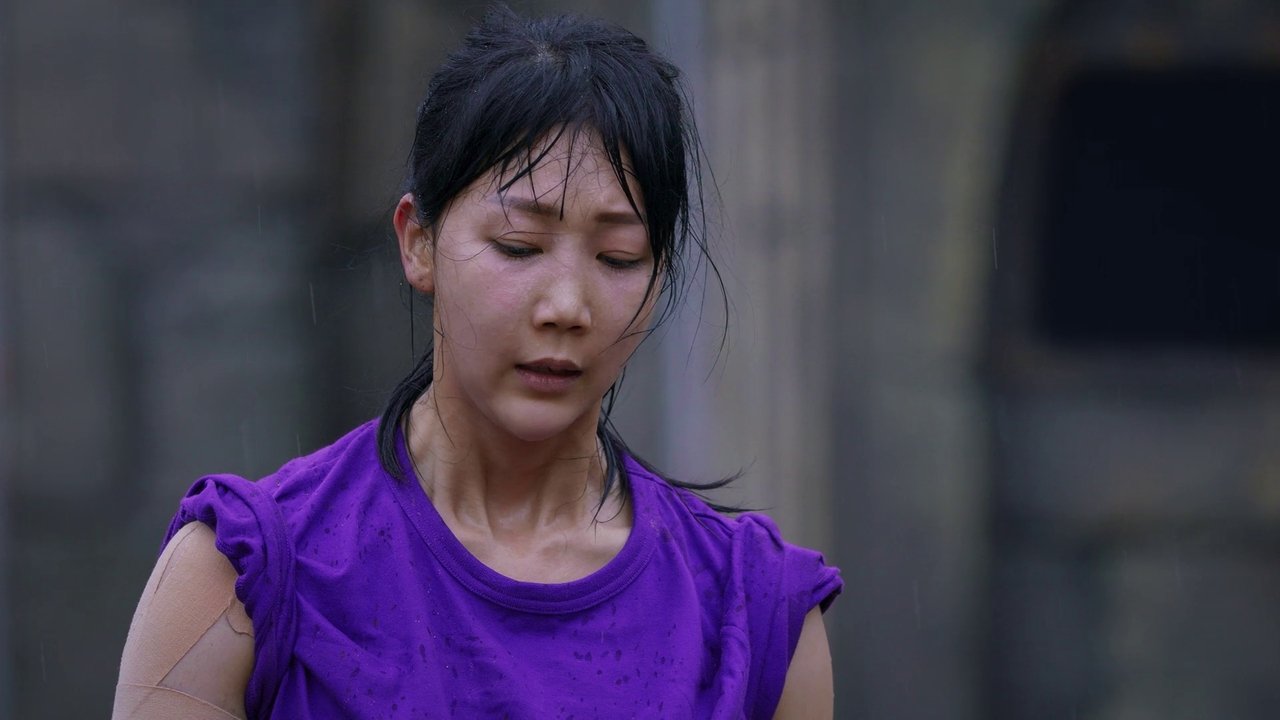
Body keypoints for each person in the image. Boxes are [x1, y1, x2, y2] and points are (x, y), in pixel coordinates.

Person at [113, 6, 841, 719]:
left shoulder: (755, 616)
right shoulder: (242, 576)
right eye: (519, 247)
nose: (567, 306)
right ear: (417, 242)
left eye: (619, 257)